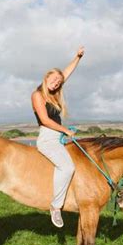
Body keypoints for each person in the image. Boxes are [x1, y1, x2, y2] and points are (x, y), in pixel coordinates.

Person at [31, 47, 85, 228]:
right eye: (53, 79)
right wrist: (65, 130)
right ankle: (55, 207)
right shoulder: (37, 95)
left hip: (57, 137)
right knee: (67, 167)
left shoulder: (54, 95)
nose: (56, 83)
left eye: (59, 82)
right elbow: (45, 120)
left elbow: (66, 73)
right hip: (47, 138)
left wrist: (77, 57)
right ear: (46, 78)